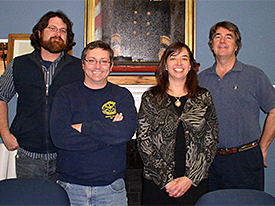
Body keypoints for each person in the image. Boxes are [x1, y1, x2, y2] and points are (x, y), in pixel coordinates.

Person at [50, 40, 138, 206]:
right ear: (83, 64)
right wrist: (109, 136)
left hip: (111, 189)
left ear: (111, 66)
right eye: (91, 60)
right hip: (70, 188)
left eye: (104, 61)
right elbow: (60, 137)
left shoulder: (122, 96)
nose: (97, 66)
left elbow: (125, 133)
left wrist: (83, 128)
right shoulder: (65, 95)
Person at [0, 10, 84, 181]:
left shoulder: (79, 68)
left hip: (67, 155)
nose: (57, 34)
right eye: (52, 28)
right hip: (29, 157)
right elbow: (1, 96)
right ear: (39, 33)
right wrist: (5, 133)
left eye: (63, 31)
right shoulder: (19, 65)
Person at [137, 42, 219, 205]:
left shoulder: (203, 97)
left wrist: (190, 178)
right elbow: (143, 141)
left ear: (190, 66)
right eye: (173, 58)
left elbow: (211, 140)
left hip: (194, 182)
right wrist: (166, 180)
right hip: (158, 183)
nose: (179, 63)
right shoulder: (151, 98)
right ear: (165, 65)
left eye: (184, 58)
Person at [198, 21, 275, 191]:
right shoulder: (200, 79)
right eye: (217, 37)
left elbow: (273, 111)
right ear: (212, 46)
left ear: (236, 46)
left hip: (245, 160)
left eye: (228, 37)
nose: (222, 41)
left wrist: (263, 147)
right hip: (210, 161)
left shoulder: (255, 75)